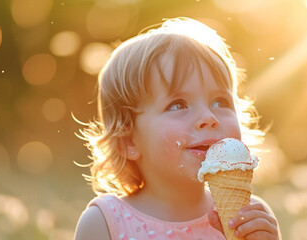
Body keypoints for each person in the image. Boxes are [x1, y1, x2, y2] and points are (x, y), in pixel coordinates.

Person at [74, 17, 280, 240]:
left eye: (219, 102)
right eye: (178, 105)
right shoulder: (104, 223)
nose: (209, 118)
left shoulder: (248, 218)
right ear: (129, 141)